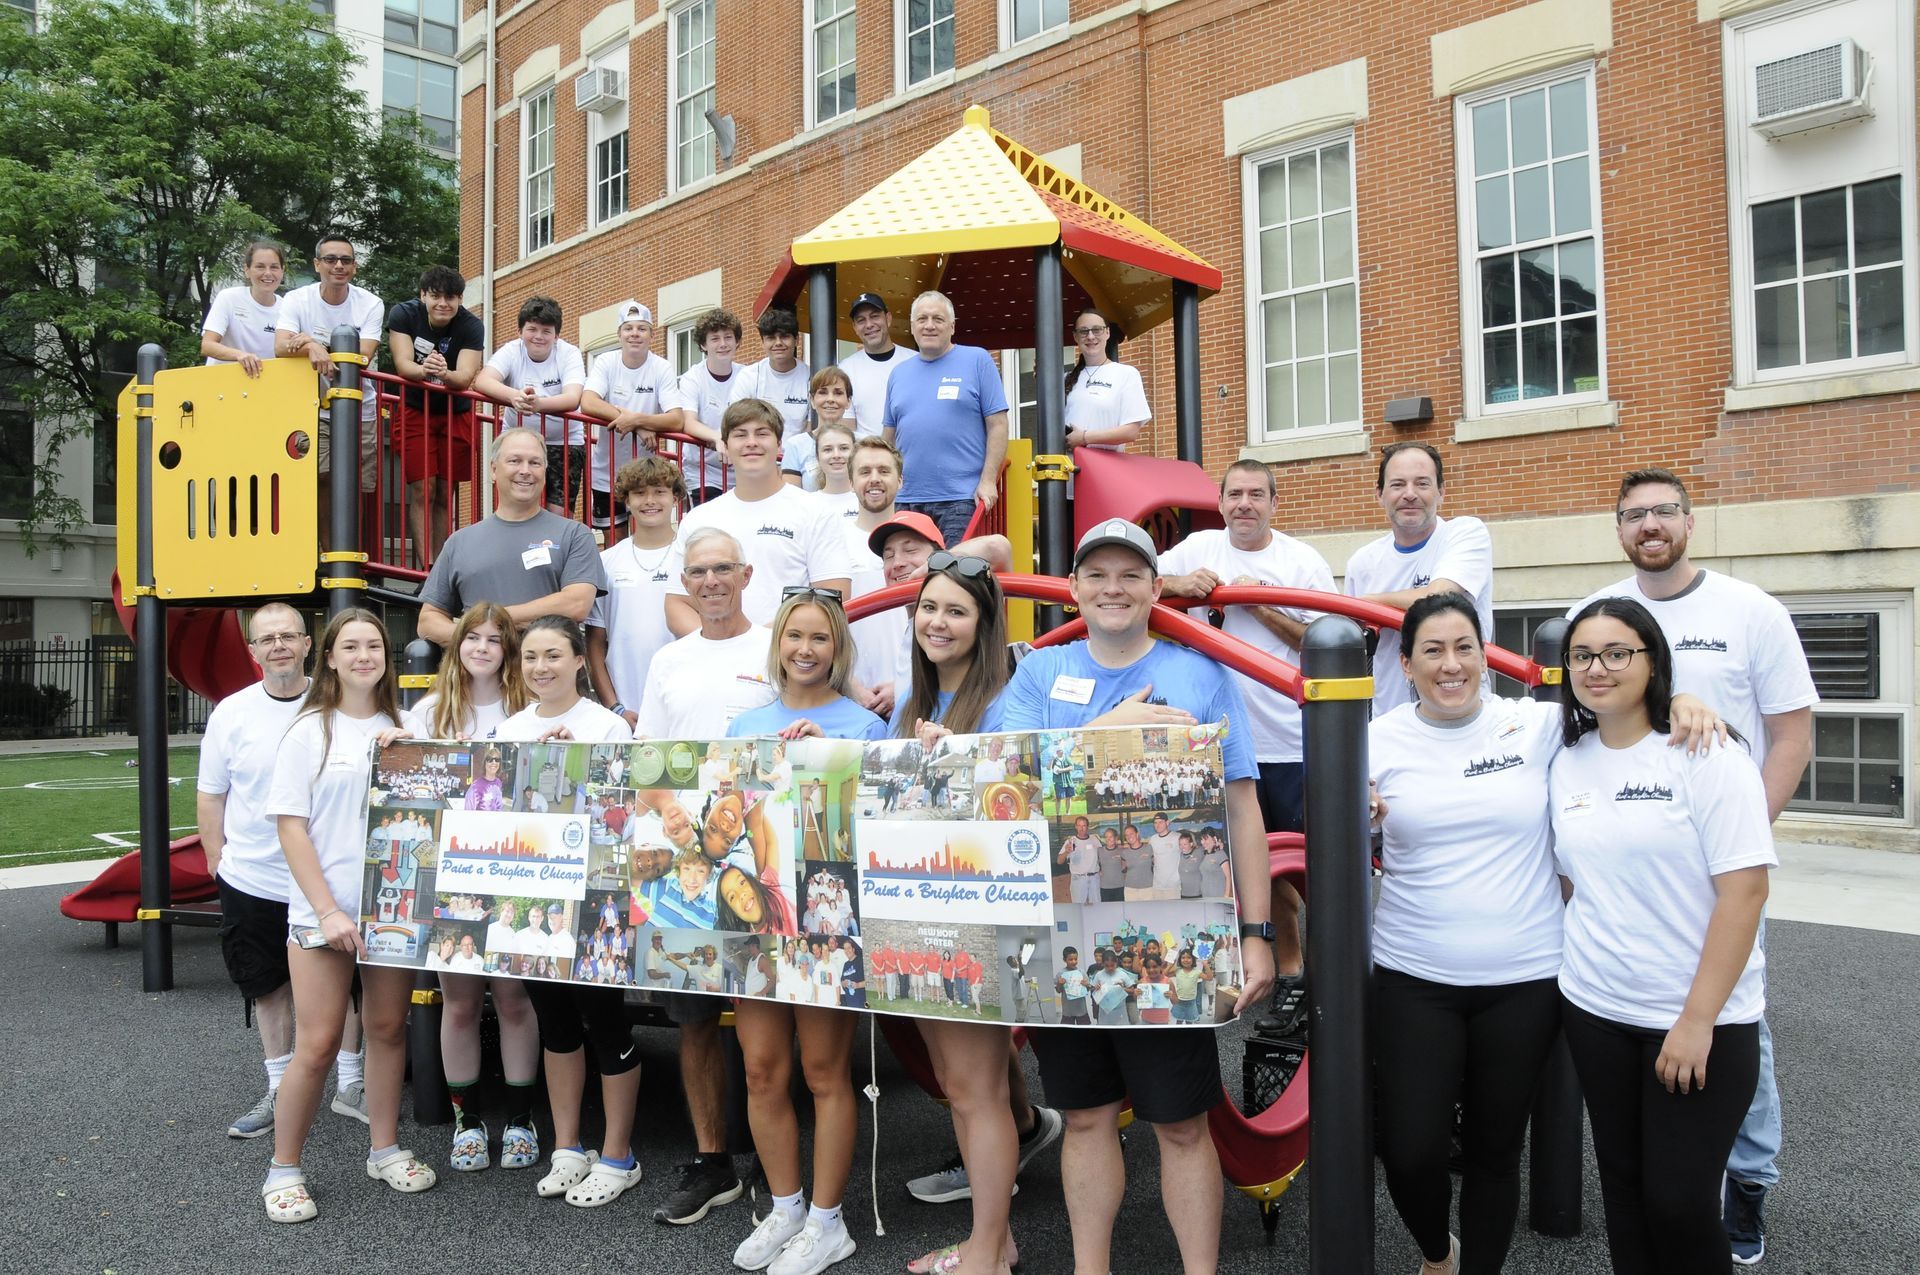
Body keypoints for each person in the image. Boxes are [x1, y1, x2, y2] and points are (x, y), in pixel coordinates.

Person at [1000, 519, 1283, 1275]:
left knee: (1183, 1123)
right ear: (1074, 588)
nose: (1113, 588)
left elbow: (1243, 806)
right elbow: (1010, 787)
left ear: (1157, 589)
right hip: (1062, 935)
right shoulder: (1036, 674)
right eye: (1098, 574)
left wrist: (1257, 931)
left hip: (1171, 940)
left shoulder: (1200, 671)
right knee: (1086, 1115)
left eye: (1131, 574)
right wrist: (1108, 731)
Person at [1572, 467, 1816, 1266]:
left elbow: (1791, 736)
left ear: (1689, 518)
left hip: (1717, 855)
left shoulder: (1751, 611)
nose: (1651, 523)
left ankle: (1748, 1181)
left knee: (1736, 1037)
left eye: (1664, 510)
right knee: (1633, 1186)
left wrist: (1735, 838)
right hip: (1612, 968)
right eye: (1634, 514)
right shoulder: (1598, 616)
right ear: (1618, 528)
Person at [1552, 597, 1774, 1273]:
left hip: (1698, 1020)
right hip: (1596, 1008)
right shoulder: (1565, 758)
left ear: (1653, 662)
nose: (1598, 667)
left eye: (1618, 652)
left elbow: (1746, 890)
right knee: (1624, 1191)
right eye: (1583, 654)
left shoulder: (1705, 751)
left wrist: (1696, 1019)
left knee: (1679, 1204)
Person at [893, 554, 1063, 1275]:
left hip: (975, 915)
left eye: (956, 610)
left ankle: (989, 1247)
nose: (938, 621)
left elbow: (1027, 781)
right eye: (929, 607)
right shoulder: (912, 699)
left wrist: (965, 759)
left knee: (973, 1090)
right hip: (920, 912)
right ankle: (994, 1238)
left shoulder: (1003, 697)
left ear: (985, 622)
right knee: (969, 1086)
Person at [258, 609, 432, 1223]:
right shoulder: (309, 731)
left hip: (393, 908)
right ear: (327, 657)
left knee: (387, 1030)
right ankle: (283, 1168)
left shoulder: (406, 726)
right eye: (350, 646)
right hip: (321, 912)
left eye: (374, 645)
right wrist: (328, 911)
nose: (364, 656)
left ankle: (383, 1148)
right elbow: (291, 829)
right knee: (320, 1043)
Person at [631, 526, 773, 1228]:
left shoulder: (779, 642)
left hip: (764, 861)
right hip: (687, 872)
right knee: (691, 1023)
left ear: (746, 574)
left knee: (766, 1023)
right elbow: (649, 762)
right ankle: (713, 1160)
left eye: (723, 568)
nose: (711, 580)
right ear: (684, 583)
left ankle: (777, 1172)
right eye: (698, 571)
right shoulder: (668, 660)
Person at [491, 616, 644, 1209]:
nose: (541, 667)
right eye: (530, 657)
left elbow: (624, 816)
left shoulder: (607, 725)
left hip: (597, 902)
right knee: (554, 1023)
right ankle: (567, 1146)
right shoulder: (509, 727)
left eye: (553, 654)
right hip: (537, 898)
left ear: (580, 660)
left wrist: (574, 766)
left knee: (605, 1024)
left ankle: (618, 1154)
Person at [198, 603, 365, 1139]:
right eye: (267, 639)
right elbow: (211, 795)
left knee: (352, 986)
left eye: (289, 636)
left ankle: (350, 1081)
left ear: (309, 643)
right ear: (252, 651)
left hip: (332, 880)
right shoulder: (232, 713)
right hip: (256, 878)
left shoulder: (339, 703)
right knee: (267, 985)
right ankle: (276, 1085)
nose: (279, 647)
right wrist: (217, 863)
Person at [399, 603, 542, 1175]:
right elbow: (406, 788)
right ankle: (466, 1122)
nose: (482, 647)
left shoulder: (527, 710)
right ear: (456, 645)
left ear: (508, 649)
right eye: (472, 637)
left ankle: (521, 1120)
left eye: (494, 639)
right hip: (452, 879)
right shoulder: (429, 712)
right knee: (458, 1001)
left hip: (513, 874)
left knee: (512, 999)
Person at [663, 398, 851, 635]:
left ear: (779, 444)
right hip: (717, 661)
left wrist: (756, 646)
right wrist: (720, 646)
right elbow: (677, 605)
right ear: (726, 445)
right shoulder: (699, 518)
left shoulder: (815, 512)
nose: (751, 443)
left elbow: (832, 598)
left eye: (762, 433)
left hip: (788, 661)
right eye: (740, 435)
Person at [415, 427, 606, 647]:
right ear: (494, 470)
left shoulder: (574, 534)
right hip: (480, 678)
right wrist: (477, 639)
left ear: (545, 471)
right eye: (515, 461)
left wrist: (489, 620)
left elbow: (576, 604)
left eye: (535, 463)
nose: (525, 470)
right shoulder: (459, 542)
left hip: (546, 676)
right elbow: (428, 620)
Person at [1343, 442, 1493, 717]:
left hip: (1465, 716)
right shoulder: (1362, 563)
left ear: (1441, 492)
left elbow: (1437, 600)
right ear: (1380, 494)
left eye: (1422, 484)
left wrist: (1363, 604)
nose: (1409, 494)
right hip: (1390, 720)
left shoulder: (1465, 534)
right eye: (1398, 485)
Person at [274, 231, 383, 538]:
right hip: (313, 407)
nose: (339, 266)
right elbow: (280, 346)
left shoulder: (371, 303)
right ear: (317, 264)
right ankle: (327, 555)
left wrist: (311, 341)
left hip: (360, 407)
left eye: (346, 260)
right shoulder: (298, 299)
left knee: (357, 485)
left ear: (354, 267)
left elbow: (362, 354)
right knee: (322, 477)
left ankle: (354, 558)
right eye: (331, 259)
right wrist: (310, 346)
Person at [883, 291, 1009, 547]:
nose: (929, 325)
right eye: (922, 319)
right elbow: (888, 437)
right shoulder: (898, 373)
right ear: (912, 326)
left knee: (954, 578)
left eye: (938, 319)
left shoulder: (977, 360)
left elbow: (998, 424)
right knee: (911, 579)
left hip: (961, 499)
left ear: (952, 326)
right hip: (908, 498)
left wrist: (987, 480)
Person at [385, 264, 487, 564]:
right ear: (423, 296)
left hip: (455, 413)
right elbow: (404, 365)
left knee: (445, 490)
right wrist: (424, 370)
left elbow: (465, 377)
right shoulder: (403, 315)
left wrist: (444, 373)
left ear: (459, 300)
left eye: (451, 297)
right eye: (436, 296)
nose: (443, 303)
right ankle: (425, 566)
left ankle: (441, 567)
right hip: (417, 408)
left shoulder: (471, 325)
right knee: (422, 487)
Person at [587, 455, 685, 728]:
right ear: (627, 501)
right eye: (639, 493)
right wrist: (615, 708)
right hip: (626, 712)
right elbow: (596, 643)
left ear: (675, 497)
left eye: (659, 492)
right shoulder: (607, 562)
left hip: (682, 706)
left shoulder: (691, 559)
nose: (650, 501)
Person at [473, 296, 588, 514]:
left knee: (559, 512)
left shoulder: (568, 353)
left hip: (564, 440)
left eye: (546, 331)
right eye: (532, 329)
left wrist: (539, 404)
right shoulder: (512, 350)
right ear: (520, 332)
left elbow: (573, 398)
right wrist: (514, 396)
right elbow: (482, 380)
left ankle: (555, 548)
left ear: (556, 336)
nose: (538, 336)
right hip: (516, 437)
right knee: (515, 503)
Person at [580, 299, 685, 530]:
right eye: (628, 328)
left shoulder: (661, 367)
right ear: (619, 335)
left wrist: (635, 420)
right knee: (613, 541)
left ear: (651, 336)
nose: (634, 334)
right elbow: (588, 402)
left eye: (641, 328)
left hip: (647, 474)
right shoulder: (606, 361)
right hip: (606, 473)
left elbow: (676, 419)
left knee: (649, 535)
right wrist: (638, 426)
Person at [676, 307, 744, 502]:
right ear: (704, 345)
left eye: (728, 337)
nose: (723, 344)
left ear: (737, 341)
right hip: (702, 474)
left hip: (740, 472)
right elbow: (689, 422)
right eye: (715, 338)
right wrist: (718, 438)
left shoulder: (747, 375)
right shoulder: (692, 378)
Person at [1062, 307, 1149, 451]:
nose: (1090, 336)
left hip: (1105, 468)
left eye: (1097, 330)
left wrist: (1084, 437)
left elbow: (1131, 431)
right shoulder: (1066, 379)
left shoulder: (1126, 374)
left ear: (1107, 332)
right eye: (1084, 331)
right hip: (1068, 469)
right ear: (1075, 337)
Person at [200, 238, 284, 377]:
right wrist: (240, 355)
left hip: (264, 387)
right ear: (247, 270)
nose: (268, 273)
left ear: (282, 271)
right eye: (260, 266)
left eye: (274, 267)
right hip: (221, 385)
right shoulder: (229, 298)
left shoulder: (287, 307)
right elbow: (207, 345)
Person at [730, 305, 812, 442]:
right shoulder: (748, 376)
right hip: (758, 455)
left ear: (796, 340)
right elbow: (737, 423)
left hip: (797, 460)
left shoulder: (811, 377)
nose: (778, 343)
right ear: (762, 342)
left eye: (785, 337)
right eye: (771, 338)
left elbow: (811, 428)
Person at [837, 291, 899, 437]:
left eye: (875, 316)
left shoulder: (913, 360)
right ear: (854, 327)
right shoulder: (846, 370)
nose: (869, 325)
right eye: (861, 320)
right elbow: (848, 430)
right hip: (866, 456)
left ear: (888, 318)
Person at [1056, 815, 1100, 905]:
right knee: (1078, 908)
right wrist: (1066, 852)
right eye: (1079, 825)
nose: (1081, 828)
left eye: (1084, 825)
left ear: (1087, 827)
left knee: (1096, 907)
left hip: (1094, 879)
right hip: (1078, 880)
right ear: (1075, 826)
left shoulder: (1094, 839)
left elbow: (1102, 855)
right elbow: (1059, 861)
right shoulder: (1070, 841)